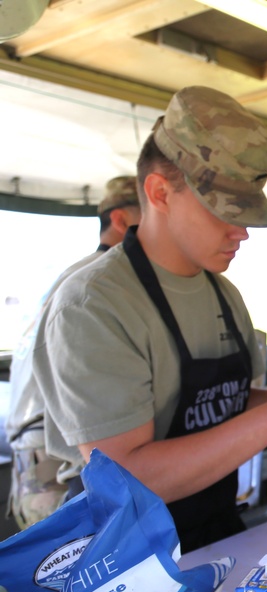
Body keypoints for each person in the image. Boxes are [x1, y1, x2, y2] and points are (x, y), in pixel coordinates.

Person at [32, 86, 267, 552]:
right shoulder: (95, 303)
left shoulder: (223, 291)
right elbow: (126, 476)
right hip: (123, 561)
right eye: (224, 211)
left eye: (247, 212)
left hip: (216, 533)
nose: (242, 231)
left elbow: (225, 403)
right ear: (159, 192)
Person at [5, 175, 141, 528]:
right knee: (58, 571)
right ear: (121, 220)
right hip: (49, 454)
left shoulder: (85, 274)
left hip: (41, 443)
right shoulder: (98, 284)